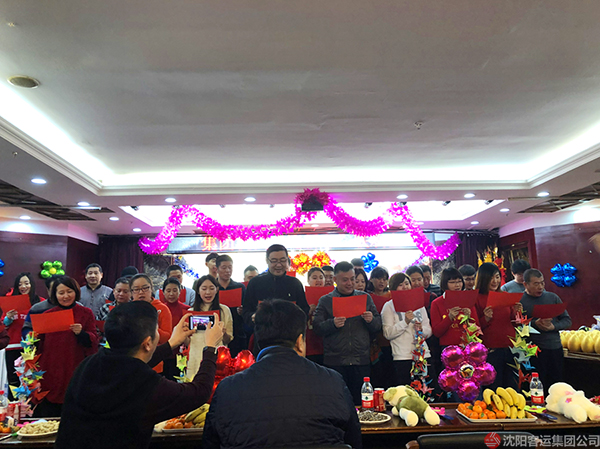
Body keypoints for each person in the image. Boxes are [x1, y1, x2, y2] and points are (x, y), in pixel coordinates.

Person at [55, 302, 223, 449]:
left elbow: (131, 365)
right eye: (156, 330)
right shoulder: (146, 384)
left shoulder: (89, 364)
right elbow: (199, 392)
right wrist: (210, 348)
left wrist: (171, 343)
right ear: (148, 343)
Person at [202, 300, 362, 449]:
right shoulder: (333, 381)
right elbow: (354, 439)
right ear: (300, 342)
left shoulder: (228, 388)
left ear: (259, 340)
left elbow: (210, 442)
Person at [313, 261, 381, 404]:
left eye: (352, 279)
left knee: (361, 402)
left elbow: (378, 326)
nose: (350, 283)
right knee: (337, 402)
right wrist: (332, 324)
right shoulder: (326, 300)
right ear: (335, 280)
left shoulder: (365, 298)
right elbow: (317, 327)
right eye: (345, 280)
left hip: (360, 360)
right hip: (335, 361)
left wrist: (371, 320)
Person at [36, 276, 98, 417]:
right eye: (61, 293)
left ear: (76, 291)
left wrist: (81, 333)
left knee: (74, 404)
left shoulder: (85, 313)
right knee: (50, 410)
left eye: (69, 291)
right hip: (51, 368)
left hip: (75, 365)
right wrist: (33, 337)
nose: (65, 296)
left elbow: (93, 340)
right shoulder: (47, 315)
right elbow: (39, 344)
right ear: (55, 295)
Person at [520, 269, 571, 393]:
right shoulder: (520, 301)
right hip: (532, 351)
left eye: (542, 283)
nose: (540, 287)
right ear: (525, 284)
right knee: (535, 388)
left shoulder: (552, 297)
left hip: (554, 348)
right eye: (536, 284)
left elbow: (567, 320)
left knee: (556, 386)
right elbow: (515, 325)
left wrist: (553, 326)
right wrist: (534, 324)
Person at [474, 263, 521, 390]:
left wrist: (517, 312)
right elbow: (473, 328)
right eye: (491, 278)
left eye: (497, 277)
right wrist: (486, 318)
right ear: (483, 278)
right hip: (490, 348)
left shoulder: (505, 295)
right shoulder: (476, 298)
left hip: (510, 346)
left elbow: (514, 322)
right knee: (493, 387)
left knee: (512, 386)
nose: (495, 281)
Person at [382, 273, 434, 388]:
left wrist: (421, 329)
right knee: (407, 392)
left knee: (427, 391)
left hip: (423, 355)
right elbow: (388, 333)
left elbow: (429, 330)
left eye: (407, 283)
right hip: (403, 357)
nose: (405, 287)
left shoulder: (419, 304)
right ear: (393, 288)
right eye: (400, 285)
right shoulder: (389, 306)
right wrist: (405, 322)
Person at [242, 244, 310, 330]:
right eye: (274, 261)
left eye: (283, 260)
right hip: (262, 334)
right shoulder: (255, 283)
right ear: (267, 260)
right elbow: (246, 311)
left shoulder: (295, 283)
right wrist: (253, 317)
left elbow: (304, 311)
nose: (279, 265)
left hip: (289, 334)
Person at [3, 272, 43, 397]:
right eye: (20, 284)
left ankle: (32, 405)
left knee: (32, 379)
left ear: (32, 285)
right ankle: (14, 405)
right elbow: (3, 324)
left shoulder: (40, 302)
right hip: (13, 346)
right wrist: (8, 318)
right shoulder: (10, 301)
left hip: (33, 348)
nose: (23, 286)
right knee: (13, 381)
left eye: (26, 283)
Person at [187, 275, 234, 378]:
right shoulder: (190, 312)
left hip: (218, 355)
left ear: (217, 290)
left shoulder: (224, 310)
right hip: (196, 355)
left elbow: (228, 339)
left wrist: (223, 333)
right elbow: (187, 342)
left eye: (212, 288)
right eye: (204, 289)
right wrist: (185, 334)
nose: (208, 292)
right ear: (198, 291)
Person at [130, 274, 172, 374]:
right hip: (131, 362)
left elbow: (167, 338)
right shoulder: (128, 309)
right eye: (136, 289)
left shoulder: (162, 309)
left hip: (154, 362)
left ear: (151, 288)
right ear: (131, 292)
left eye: (145, 288)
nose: (141, 292)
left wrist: (150, 326)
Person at [430, 268, 480, 348]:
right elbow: (437, 332)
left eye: (459, 281)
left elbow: (477, 329)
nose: (457, 285)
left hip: (468, 346)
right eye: (453, 282)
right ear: (445, 284)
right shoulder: (437, 303)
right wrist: (449, 318)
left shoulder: (468, 300)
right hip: (449, 348)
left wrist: (469, 317)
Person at [160, 278, 191, 380]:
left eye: (175, 290)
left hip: (181, 353)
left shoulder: (187, 309)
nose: (171, 294)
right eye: (168, 291)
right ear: (163, 292)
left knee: (180, 379)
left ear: (180, 291)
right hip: (163, 351)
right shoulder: (160, 310)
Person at [215, 255, 247, 356]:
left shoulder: (239, 287)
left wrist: (242, 311)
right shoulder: (212, 288)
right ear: (217, 269)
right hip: (218, 331)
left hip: (237, 331)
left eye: (230, 267)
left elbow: (247, 308)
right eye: (224, 267)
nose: (227, 271)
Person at [305, 267, 325, 365]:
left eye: (321, 277)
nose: (318, 280)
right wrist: (307, 311)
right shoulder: (303, 296)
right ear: (308, 280)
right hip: (309, 342)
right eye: (314, 278)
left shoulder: (330, 296)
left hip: (325, 344)